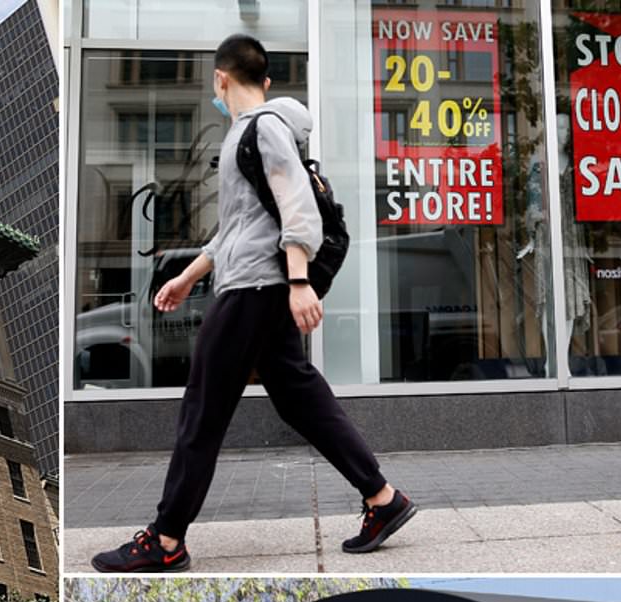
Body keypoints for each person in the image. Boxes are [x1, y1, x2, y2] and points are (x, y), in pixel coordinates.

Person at [90, 33, 415, 574]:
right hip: (253, 283)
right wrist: (188, 276)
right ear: (262, 79)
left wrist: (297, 282)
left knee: (202, 408)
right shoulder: (249, 135)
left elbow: (299, 211)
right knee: (299, 397)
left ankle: (166, 540)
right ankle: (383, 499)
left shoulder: (263, 130)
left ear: (221, 78)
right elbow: (235, 231)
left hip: (255, 290)